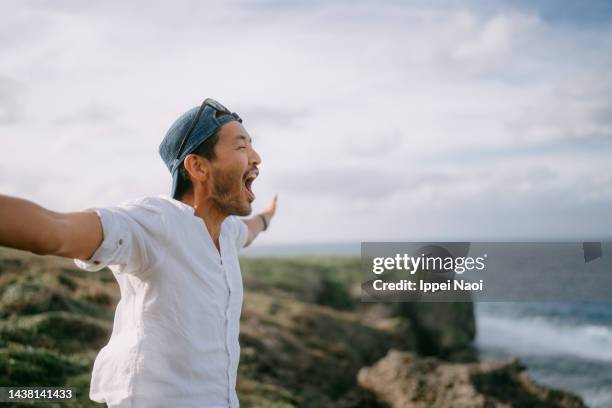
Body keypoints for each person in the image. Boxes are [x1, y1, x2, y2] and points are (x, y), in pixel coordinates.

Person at [0, 98, 278, 407]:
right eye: (241, 147)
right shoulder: (155, 223)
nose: (257, 157)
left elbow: (249, 231)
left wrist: (266, 217)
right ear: (198, 166)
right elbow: (54, 230)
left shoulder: (227, 232)